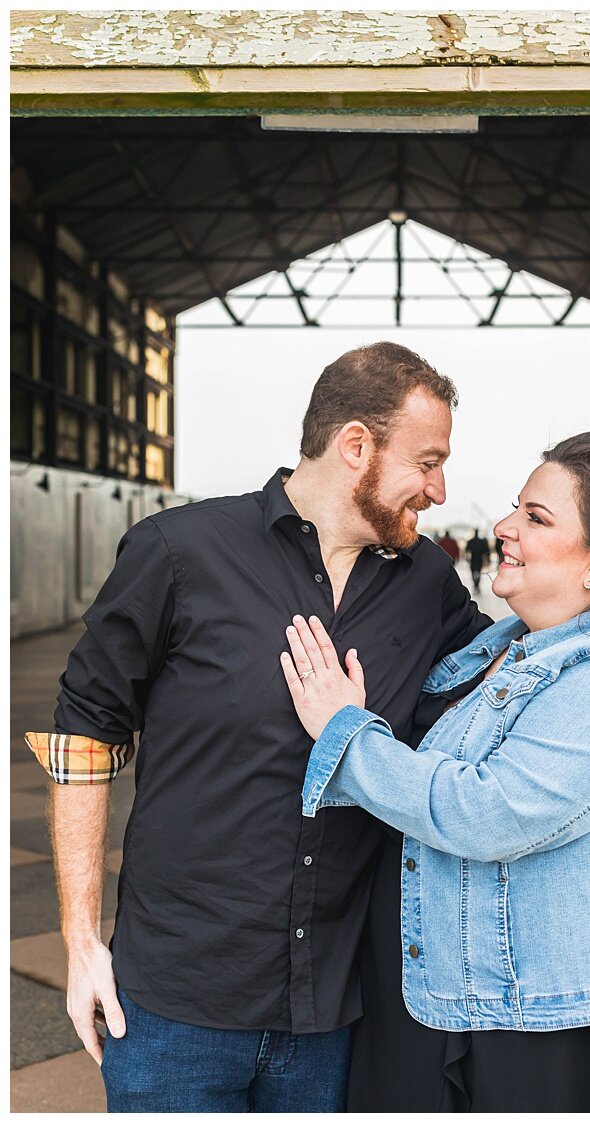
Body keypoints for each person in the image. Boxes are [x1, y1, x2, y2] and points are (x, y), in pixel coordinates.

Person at [26, 342, 489, 1111]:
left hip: (336, 1015)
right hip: (173, 1012)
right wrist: (80, 940)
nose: (439, 488)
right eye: (428, 461)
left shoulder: (427, 585)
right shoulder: (179, 551)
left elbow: (505, 675)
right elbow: (85, 731)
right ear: (355, 446)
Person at [280, 430, 590, 1111]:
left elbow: (489, 812)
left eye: (536, 518)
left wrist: (346, 732)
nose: (504, 527)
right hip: (437, 1004)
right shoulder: (501, 646)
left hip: (554, 1029)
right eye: (517, 507)